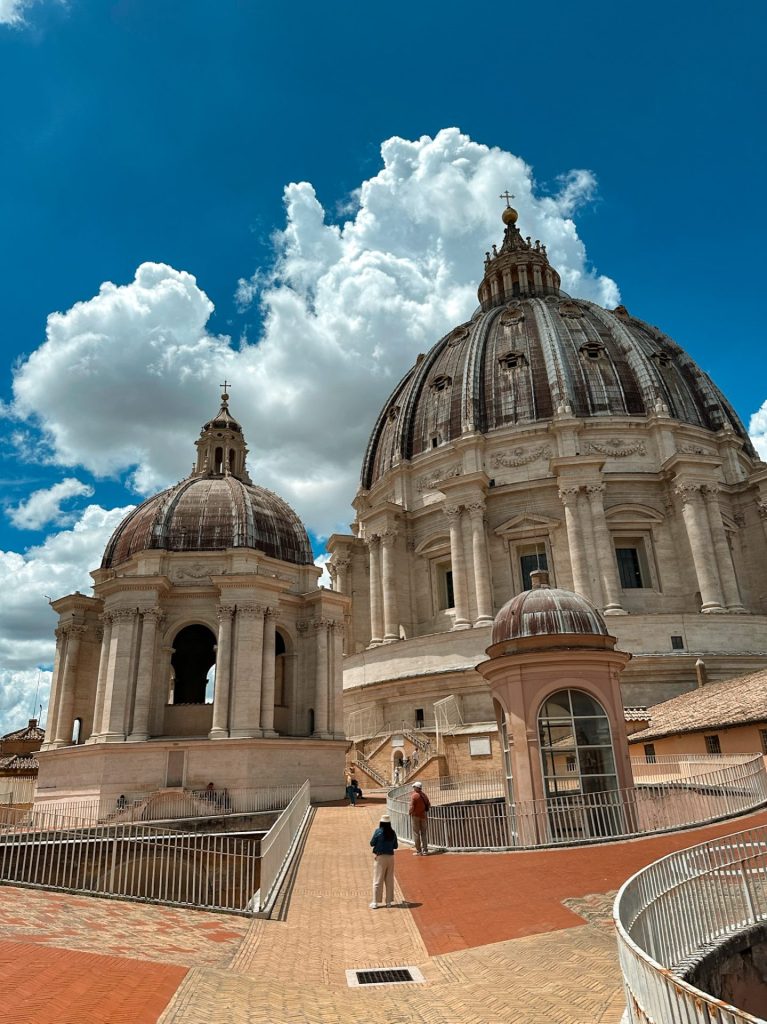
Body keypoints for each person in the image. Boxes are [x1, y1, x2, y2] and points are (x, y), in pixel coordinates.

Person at [369, 813, 398, 908]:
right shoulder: (392, 832)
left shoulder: (378, 832)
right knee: (389, 879)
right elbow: (395, 846)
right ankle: (389, 902)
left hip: (380, 857)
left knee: (378, 879)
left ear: (381, 822)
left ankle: (375, 902)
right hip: (390, 857)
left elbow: (372, 843)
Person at [409, 781, 431, 856]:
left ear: (416, 788)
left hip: (416, 816)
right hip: (423, 816)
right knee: (424, 833)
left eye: (414, 787)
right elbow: (428, 804)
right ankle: (425, 850)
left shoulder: (414, 796)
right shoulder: (424, 795)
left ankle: (419, 851)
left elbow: (411, 807)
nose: (413, 788)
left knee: (416, 833)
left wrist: (410, 812)